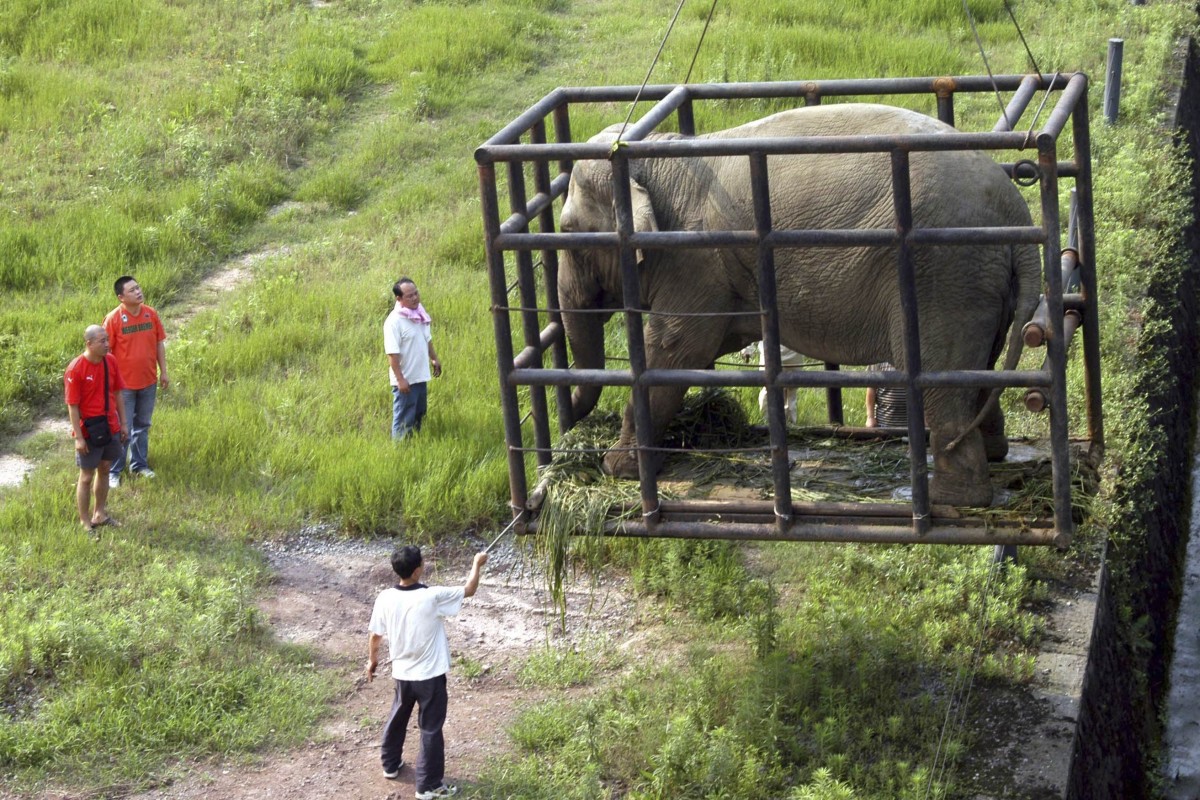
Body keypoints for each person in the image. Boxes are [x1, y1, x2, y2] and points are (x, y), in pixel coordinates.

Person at [366, 547, 488, 799]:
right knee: (430, 728)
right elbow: (470, 589)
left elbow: (375, 634)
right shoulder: (432, 596)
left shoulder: (385, 597)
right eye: (422, 562)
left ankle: (390, 765)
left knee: (398, 716)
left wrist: (372, 662)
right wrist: (477, 563)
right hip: (430, 676)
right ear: (417, 569)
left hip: (402, 674)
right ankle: (429, 786)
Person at [104, 275, 168, 488]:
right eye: (132, 290)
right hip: (124, 387)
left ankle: (139, 465)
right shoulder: (113, 319)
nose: (138, 292)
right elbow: (105, 353)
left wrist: (164, 372)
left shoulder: (151, 314)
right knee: (123, 428)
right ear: (121, 297)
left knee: (142, 425)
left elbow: (159, 343)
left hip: (148, 381)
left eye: (138, 287)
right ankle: (114, 471)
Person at [65, 325, 129, 535]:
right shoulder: (76, 369)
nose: (107, 344)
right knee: (86, 476)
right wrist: (79, 438)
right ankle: (85, 521)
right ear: (89, 344)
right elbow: (72, 406)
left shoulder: (110, 361)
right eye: (102, 341)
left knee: (105, 468)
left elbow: (118, 393)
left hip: (110, 425)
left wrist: (124, 424)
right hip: (90, 430)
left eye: (107, 340)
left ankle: (99, 514)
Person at [384, 278, 442, 439]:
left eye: (416, 293)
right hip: (405, 380)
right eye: (409, 296)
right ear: (399, 299)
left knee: (419, 414)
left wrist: (434, 359)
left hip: (420, 376)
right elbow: (392, 354)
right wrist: (400, 379)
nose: (415, 298)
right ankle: (401, 450)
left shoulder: (419, 314)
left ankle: (415, 444)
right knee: (404, 419)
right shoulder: (394, 322)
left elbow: (427, 339)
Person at [865, 362, 909, 428]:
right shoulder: (878, 358)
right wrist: (870, 417)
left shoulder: (914, 357)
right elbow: (871, 389)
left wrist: (925, 416)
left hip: (913, 424)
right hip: (884, 423)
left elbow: (925, 390)